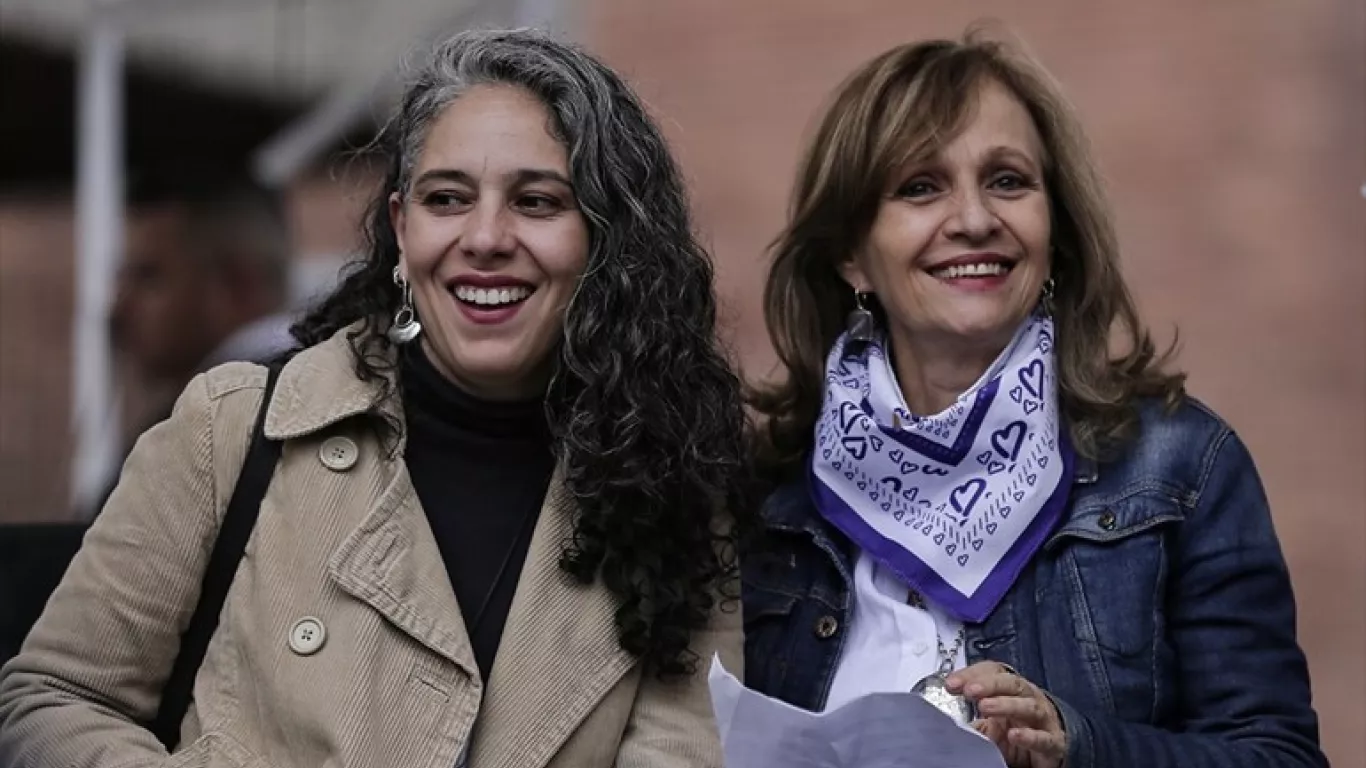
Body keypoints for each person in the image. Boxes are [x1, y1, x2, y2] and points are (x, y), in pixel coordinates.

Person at [0, 28, 749, 767]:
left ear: (605, 241)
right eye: (447, 198)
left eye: (537, 201)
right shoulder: (228, 429)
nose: (485, 236)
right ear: (401, 226)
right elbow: (53, 697)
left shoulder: (670, 494)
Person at [741, 32, 1327, 768]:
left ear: (1056, 231)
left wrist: (1077, 746)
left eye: (1009, 181)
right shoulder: (766, 495)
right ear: (852, 255)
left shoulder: (1181, 468)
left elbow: (1280, 758)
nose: (975, 219)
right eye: (921, 186)